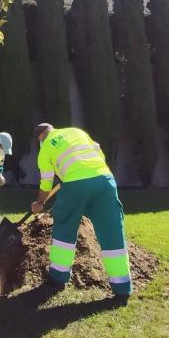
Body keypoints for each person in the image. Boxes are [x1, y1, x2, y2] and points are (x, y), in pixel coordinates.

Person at [31, 123, 131, 298]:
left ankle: (58, 277)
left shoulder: (45, 147)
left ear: (40, 137)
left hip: (75, 186)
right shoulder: (77, 132)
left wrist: (40, 202)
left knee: (65, 226)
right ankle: (122, 287)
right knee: (112, 230)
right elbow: (98, 152)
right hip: (105, 180)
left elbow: (46, 182)